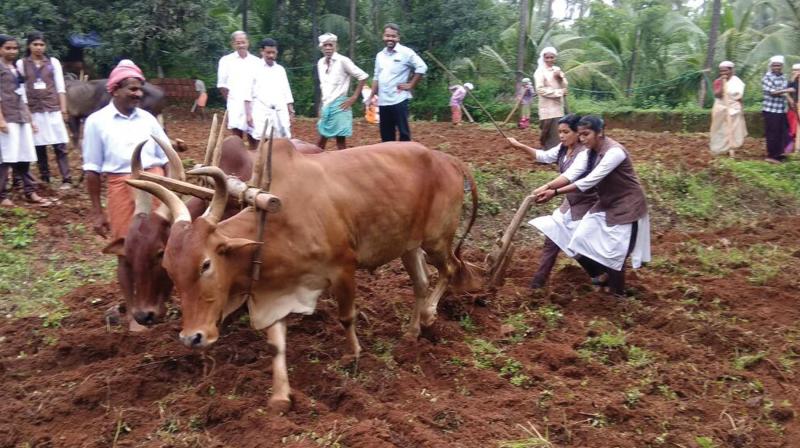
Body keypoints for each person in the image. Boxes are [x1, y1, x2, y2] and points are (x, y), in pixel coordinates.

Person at [82, 59, 171, 328]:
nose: (138, 94)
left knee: (161, 248)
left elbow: (167, 157)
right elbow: (92, 170)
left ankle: (160, 303)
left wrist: (171, 189)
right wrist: (98, 212)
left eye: (140, 89)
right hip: (121, 185)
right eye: (132, 89)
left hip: (154, 181)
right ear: (115, 90)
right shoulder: (96, 122)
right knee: (125, 250)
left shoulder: (148, 119)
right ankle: (134, 312)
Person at [532, 116, 650, 297]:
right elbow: (573, 173)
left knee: (615, 253)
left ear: (600, 132)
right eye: (580, 135)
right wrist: (547, 187)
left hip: (628, 205)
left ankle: (617, 295)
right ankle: (600, 276)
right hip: (606, 203)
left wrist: (554, 192)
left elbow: (589, 181)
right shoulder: (588, 153)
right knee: (580, 238)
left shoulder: (614, 152)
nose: (582, 139)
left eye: (586, 134)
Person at [507, 114, 598, 289]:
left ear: (577, 133)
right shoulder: (563, 148)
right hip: (569, 203)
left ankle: (598, 273)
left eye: (566, 132)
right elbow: (543, 156)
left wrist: (546, 187)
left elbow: (569, 176)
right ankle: (538, 283)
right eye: (560, 132)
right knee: (552, 238)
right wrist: (518, 145)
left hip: (586, 203)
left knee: (577, 242)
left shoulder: (584, 153)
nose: (562, 136)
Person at [16, 32, 71, 190]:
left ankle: (66, 179)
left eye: (41, 45)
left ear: (45, 46)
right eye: (35, 44)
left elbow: (60, 87)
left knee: (59, 145)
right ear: (29, 46)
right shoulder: (21, 63)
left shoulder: (53, 62)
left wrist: (63, 109)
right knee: (39, 146)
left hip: (52, 108)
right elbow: (22, 90)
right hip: (34, 110)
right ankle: (45, 177)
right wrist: (26, 112)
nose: (38, 48)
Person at [0, 35, 48, 207]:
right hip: (7, 117)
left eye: (14, 48)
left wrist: (30, 119)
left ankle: (30, 191)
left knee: (24, 156)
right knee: (6, 157)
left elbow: (23, 95)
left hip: (21, 117)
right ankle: (2, 195)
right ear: (0, 49)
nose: (12, 51)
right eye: (8, 48)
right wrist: (1, 120)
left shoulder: (15, 68)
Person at [368, 23, 427, 142]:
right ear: (383, 37)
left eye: (393, 36)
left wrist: (411, 85)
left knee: (404, 133)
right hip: (383, 101)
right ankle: (390, 159)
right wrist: (371, 96)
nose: (390, 39)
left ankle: (405, 158)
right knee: (386, 134)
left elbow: (422, 67)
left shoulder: (406, 52)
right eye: (387, 36)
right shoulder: (380, 55)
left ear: (398, 38)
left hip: (399, 99)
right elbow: (376, 77)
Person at [315, 33, 368, 150]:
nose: (328, 48)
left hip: (340, 104)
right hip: (326, 104)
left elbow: (362, 76)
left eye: (331, 45)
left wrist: (353, 98)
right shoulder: (320, 63)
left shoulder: (343, 61)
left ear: (336, 46)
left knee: (340, 141)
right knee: (322, 138)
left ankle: (344, 166)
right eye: (325, 45)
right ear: (321, 47)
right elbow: (323, 86)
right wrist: (321, 105)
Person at [217, 31, 261, 147]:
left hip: (254, 105)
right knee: (237, 138)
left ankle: (255, 162)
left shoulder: (257, 62)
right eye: (238, 43)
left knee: (255, 137)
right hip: (235, 104)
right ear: (233, 44)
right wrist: (230, 101)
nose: (241, 45)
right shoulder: (226, 61)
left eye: (243, 42)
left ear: (248, 43)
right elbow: (222, 86)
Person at [245, 38, 294, 141]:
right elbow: (247, 92)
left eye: (273, 52)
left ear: (276, 53)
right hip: (261, 110)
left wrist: (290, 109)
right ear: (262, 52)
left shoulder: (280, 70)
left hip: (280, 110)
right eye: (268, 52)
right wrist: (248, 114)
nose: (271, 55)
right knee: (262, 139)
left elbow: (286, 90)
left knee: (283, 140)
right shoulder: (253, 68)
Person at [709, 61, 747, 157]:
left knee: (733, 130)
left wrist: (741, 108)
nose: (723, 73)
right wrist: (723, 83)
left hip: (734, 109)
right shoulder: (718, 81)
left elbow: (739, 97)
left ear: (731, 70)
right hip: (721, 108)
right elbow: (717, 95)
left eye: (725, 71)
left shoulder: (737, 82)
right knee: (721, 129)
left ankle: (731, 148)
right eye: (721, 71)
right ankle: (720, 148)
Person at [761, 55, 794, 163]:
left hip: (781, 109)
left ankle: (779, 153)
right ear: (771, 66)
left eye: (778, 65)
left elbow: (783, 92)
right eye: (774, 65)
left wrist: (788, 97)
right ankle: (771, 155)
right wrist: (787, 90)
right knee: (772, 133)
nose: (776, 67)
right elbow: (773, 92)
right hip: (770, 110)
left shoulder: (783, 77)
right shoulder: (767, 77)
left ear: (782, 66)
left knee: (782, 132)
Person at [533, 47, 568, 149]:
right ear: (543, 58)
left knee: (558, 131)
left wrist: (560, 77)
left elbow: (565, 84)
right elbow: (540, 90)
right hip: (546, 107)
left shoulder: (557, 70)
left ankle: (556, 152)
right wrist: (559, 92)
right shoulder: (540, 72)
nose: (549, 60)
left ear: (555, 58)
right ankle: (546, 151)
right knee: (546, 130)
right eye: (547, 57)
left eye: (551, 57)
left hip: (558, 107)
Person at [787, 63, 800, 153]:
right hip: (793, 109)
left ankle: (797, 148)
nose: (797, 72)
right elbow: (787, 93)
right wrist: (791, 101)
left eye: (798, 70)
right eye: (795, 70)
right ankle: (790, 148)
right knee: (792, 129)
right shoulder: (791, 82)